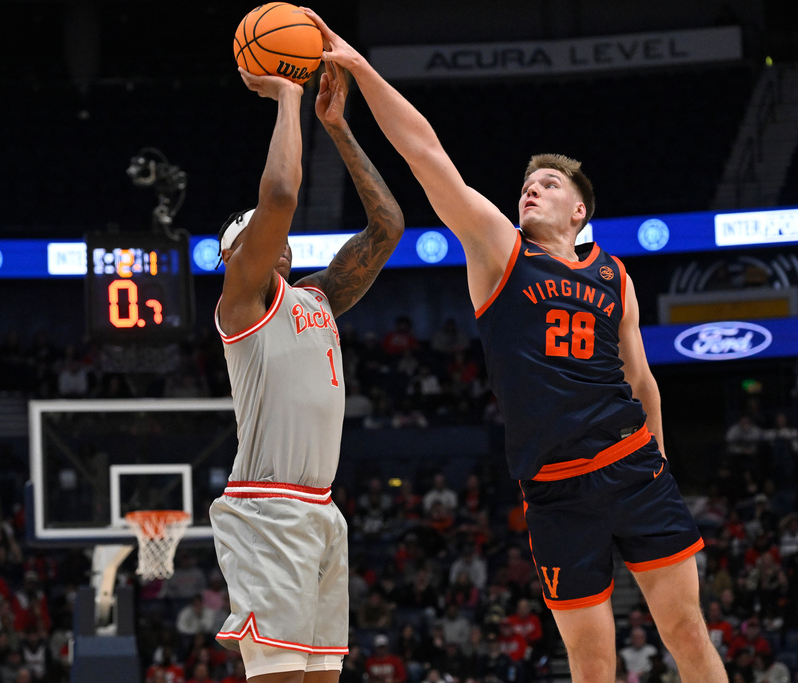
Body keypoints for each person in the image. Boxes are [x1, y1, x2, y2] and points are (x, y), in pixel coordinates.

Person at [305, 10, 726, 683]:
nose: (533, 189)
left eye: (549, 185)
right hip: (554, 489)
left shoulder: (614, 275)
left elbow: (641, 380)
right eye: (528, 184)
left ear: (579, 211)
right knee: (590, 659)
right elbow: (426, 154)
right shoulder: (500, 252)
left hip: (631, 464)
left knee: (685, 629)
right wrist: (360, 68)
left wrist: (662, 459)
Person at [208, 62, 404, 683]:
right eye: (258, 235)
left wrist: (338, 126)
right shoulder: (241, 300)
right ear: (235, 255)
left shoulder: (317, 298)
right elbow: (283, 196)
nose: (277, 240)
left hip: (320, 509)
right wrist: (287, 100)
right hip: (267, 510)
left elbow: (388, 226)